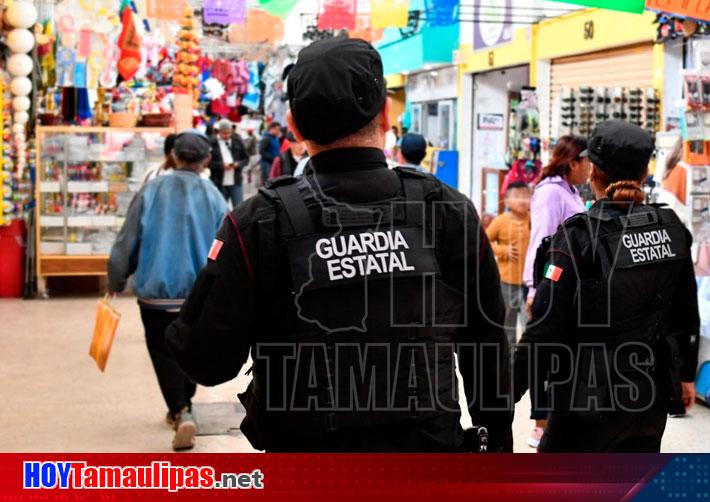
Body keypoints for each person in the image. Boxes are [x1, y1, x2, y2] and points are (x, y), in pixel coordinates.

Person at [165, 37, 514, 453]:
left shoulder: (257, 223)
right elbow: (488, 352)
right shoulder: (449, 211)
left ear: (293, 126)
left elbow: (207, 361)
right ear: (386, 115)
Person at [513, 120, 700, 452]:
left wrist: (506, 394)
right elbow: (686, 312)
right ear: (645, 172)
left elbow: (544, 328)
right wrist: (686, 374)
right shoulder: (671, 229)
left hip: (584, 400)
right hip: (648, 395)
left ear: (593, 172)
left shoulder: (578, 236)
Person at [107, 133, 228, 451]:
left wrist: (117, 278)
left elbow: (127, 240)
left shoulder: (151, 190)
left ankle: (180, 409)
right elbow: (226, 246)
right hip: (198, 294)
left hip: (155, 294)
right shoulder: (214, 196)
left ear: (173, 156)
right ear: (206, 160)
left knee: (162, 351)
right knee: (190, 348)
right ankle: (184, 402)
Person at [520, 134, 590, 448]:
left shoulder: (571, 191)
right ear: (572, 161)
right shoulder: (550, 192)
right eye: (586, 161)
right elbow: (543, 241)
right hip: (547, 283)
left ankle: (555, 423)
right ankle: (540, 425)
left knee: (561, 357)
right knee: (542, 356)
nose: (590, 168)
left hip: (565, 285)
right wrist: (537, 288)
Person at [486, 181, 532, 345]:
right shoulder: (500, 220)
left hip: (530, 283)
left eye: (526, 196)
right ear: (506, 201)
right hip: (507, 281)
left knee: (530, 323)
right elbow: (484, 241)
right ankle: (510, 363)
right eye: (517, 196)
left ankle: (526, 359)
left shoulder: (534, 219)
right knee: (508, 324)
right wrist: (502, 250)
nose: (522, 200)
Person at [209, 120, 251, 209]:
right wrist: (221, 165)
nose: (226, 135)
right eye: (224, 133)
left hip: (235, 180)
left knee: (239, 208)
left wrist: (238, 164)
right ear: (219, 131)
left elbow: (246, 159)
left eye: (229, 133)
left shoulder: (237, 141)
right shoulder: (212, 143)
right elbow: (207, 163)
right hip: (219, 181)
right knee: (221, 208)